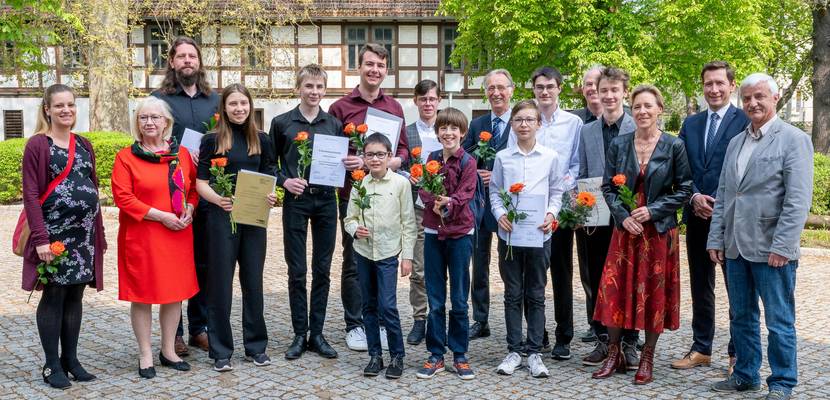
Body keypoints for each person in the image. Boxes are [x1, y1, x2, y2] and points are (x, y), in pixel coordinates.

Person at [708, 73, 813, 400]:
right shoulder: (737, 142)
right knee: (741, 317)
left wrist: (784, 245)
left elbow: (797, 200)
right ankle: (745, 374)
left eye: (759, 97)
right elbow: (724, 194)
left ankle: (782, 382)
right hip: (736, 247)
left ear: (775, 98)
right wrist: (716, 238)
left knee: (779, 321)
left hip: (772, 250)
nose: (752, 103)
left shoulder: (793, 139)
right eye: (748, 98)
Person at [592, 84, 692, 384]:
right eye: (637, 106)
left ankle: (646, 355)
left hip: (658, 233)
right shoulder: (619, 145)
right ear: (631, 110)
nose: (642, 111)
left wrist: (653, 210)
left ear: (660, 109)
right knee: (614, 292)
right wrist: (622, 217)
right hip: (626, 232)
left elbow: (685, 188)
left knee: (653, 295)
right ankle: (614, 353)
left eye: (648, 106)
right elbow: (608, 187)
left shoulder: (674, 146)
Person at [21, 84, 106, 389]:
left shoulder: (84, 144)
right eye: (59, 106)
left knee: (76, 295)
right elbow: (30, 195)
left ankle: (71, 359)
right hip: (53, 235)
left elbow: (91, 187)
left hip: (83, 236)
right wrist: (41, 239)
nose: (66, 110)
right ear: (47, 109)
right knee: (54, 294)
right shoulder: (37, 145)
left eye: (70, 105)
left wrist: (100, 234)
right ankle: (51, 364)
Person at [329, 43, 409, 351]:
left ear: (386, 71)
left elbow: (402, 152)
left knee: (384, 258)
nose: (374, 69)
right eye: (369, 64)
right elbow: (330, 151)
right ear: (359, 67)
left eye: (380, 65)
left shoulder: (395, 108)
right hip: (354, 197)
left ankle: (380, 321)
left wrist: (389, 162)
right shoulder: (340, 108)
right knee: (354, 261)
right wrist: (347, 160)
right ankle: (355, 324)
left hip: (387, 197)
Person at [111, 97, 200, 379]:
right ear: (137, 124)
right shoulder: (126, 157)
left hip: (177, 235)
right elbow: (123, 198)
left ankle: (168, 350)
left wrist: (190, 208)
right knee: (143, 296)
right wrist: (161, 216)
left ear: (166, 123)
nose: (149, 123)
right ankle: (145, 353)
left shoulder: (182, 155)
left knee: (174, 295)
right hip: (143, 236)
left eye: (155, 118)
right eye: (143, 118)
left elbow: (194, 188)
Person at [673, 61, 749, 374]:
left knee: (738, 289)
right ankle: (701, 347)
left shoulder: (746, 120)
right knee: (701, 287)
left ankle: (737, 354)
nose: (714, 89)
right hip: (697, 216)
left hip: (733, 219)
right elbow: (680, 169)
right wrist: (693, 198)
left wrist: (719, 203)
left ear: (732, 86)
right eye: (708, 84)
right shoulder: (690, 125)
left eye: (720, 83)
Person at [196, 84, 277, 372]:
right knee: (220, 284)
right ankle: (220, 351)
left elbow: (270, 173)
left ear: (250, 105)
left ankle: (256, 346)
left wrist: (272, 194)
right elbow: (200, 181)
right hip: (221, 217)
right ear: (224, 108)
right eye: (233, 104)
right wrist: (218, 200)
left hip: (253, 218)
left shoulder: (263, 139)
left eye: (243, 103)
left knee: (253, 282)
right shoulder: (211, 140)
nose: (239, 108)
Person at [151, 36, 219, 355]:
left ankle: (200, 328)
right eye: (182, 56)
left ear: (199, 62)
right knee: (175, 264)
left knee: (204, 263)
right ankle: (174, 333)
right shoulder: (159, 101)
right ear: (172, 62)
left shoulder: (214, 101)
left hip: (207, 193)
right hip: (172, 196)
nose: (188, 61)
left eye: (193, 55)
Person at [270, 64, 341, 360]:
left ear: (325, 89)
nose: (314, 92)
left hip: (326, 201)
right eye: (309, 86)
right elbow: (268, 164)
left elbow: (340, 163)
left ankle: (318, 333)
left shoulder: (333, 124)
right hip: (296, 202)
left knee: (322, 269)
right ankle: (300, 333)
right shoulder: (282, 123)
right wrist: (284, 181)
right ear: (299, 88)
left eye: (319, 87)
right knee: (297, 270)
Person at [512, 66, 583, 360]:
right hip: (528, 213)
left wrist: (558, 186)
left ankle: (564, 335)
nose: (544, 92)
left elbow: (577, 164)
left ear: (559, 89)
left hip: (559, 211)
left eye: (550, 86)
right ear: (533, 90)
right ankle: (536, 334)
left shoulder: (573, 123)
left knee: (562, 274)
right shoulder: (525, 121)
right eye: (539, 87)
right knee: (532, 276)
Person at [492, 100, 563, 378]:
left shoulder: (550, 157)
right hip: (510, 235)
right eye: (519, 119)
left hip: (539, 234)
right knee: (512, 294)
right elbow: (495, 192)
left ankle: (534, 352)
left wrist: (550, 214)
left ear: (538, 123)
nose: (524, 124)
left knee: (535, 293)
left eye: (529, 120)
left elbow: (557, 191)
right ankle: (514, 350)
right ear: (512, 124)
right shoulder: (502, 158)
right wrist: (499, 215)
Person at [577, 67, 641, 369]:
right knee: (595, 279)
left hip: (628, 216)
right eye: (604, 90)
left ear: (624, 92)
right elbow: (583, 172)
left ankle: (629, 343)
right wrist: (580, 207)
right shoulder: (587, 130)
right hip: (595, 217)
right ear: (597, 93)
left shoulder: (636, 125)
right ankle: (602, 339)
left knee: (629, 278)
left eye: (615, 90)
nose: (609, 95)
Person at [344, 134, 416, 379]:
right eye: (370, 154)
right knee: (369, 306)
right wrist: (355, 230)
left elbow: (408, 222)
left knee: (387, 305)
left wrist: (407, 256)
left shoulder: (400, 184)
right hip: (364, 252)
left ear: (389, 156)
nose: (375, 159)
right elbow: (349, 218)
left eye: (380, 154)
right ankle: (375, 355)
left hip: (387, 253)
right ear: (363, 157)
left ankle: (397, 355)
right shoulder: (359, 185)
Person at [415, 107, 477, 380]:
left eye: (454, 128)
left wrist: (448, 203)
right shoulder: (431, 158)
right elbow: (424, 188)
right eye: (443, 128)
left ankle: (460, 354)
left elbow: (466, 193)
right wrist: (434, 201)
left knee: (460, 299)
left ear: (462, 133)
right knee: (436, 299)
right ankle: (436, 354)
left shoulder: (469, 162)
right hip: (433, 234)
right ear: (437, 132)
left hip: (460, 234)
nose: (448, 132)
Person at [462, 69, 514, 340]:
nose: (496, 93)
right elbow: (465, 158)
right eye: (491, 88)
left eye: (501, 87)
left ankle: (514, 320)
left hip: (509, 206)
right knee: (478, 266)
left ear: (511, 91)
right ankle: (480, 320)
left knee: (510, 266)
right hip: (481, 207)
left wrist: (499, 176)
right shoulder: (477, 124)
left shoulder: (521, 122)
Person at [402, 79, 441, 345]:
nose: (428, 103)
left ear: (439, 101)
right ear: (416, 101)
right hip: (417, 207)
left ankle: (441, 318)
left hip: (445, 209)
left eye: (432, 99)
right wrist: (407, 175)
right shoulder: (406, 132)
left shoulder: (448, 129)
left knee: (443, 267)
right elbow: (398, 164)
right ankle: (419, 318)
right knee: (418, 267)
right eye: (423, 99)